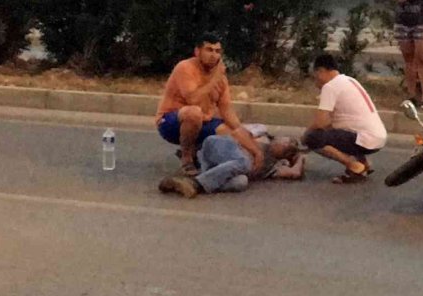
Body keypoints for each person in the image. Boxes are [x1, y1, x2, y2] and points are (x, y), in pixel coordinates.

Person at [155, 32, 262, 176]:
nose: (214, 55)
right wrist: (215, 79)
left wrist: (256, 152)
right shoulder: (185, 68)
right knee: (194, 113)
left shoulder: (221, 80)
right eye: (209, 50)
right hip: (171, 122)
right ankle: (187, 158)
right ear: (197, 51)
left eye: (217, 51)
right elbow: (193, 99)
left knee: (232, 135)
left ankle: (203, 154)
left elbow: (231, 118)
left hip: (203, 122)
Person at [303, 54, 387, 184]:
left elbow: (321, 122)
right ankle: (363, 163)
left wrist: (305, 136)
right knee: (340, 132)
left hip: (364, 139)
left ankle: (354, 166)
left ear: (321, 71)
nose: (316, 82)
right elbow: (335, 123)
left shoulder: (330, 87)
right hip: (377, 137)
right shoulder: (349, 80)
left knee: (314, 138)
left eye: (315, 76)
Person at [158, 131, 304, 198]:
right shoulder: (261, 136)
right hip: (218, 147)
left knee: (241, 182)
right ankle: (195, 183)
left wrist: (300, 159)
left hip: (216, 168)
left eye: (290, 147)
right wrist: (253, 149)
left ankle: (188, 183)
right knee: (244, 162)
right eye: (288, 140)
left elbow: (295, 173)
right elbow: (235, 131)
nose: (287, 144)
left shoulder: (273, 166)